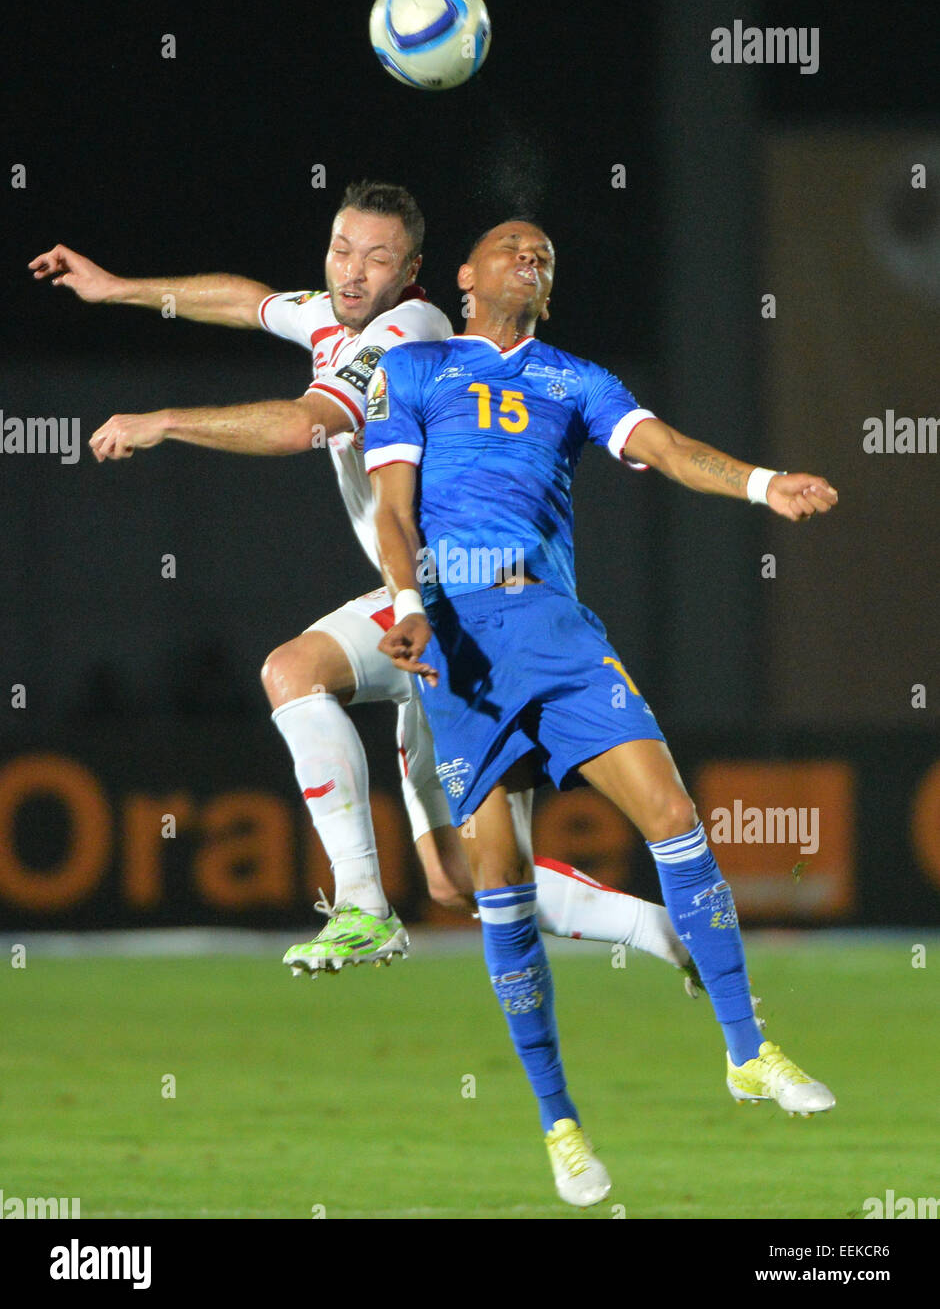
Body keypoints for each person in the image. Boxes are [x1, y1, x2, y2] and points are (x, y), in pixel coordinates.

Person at [28, 186, 694, 987]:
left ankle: (362, 907)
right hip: (433, 602)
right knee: (457, 878)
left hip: (456, 596)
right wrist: (117, 289)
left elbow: (305, 423)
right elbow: (251, 302)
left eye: (378, 258)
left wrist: (164, 420)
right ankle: (655, 926)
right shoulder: (338, 307)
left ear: (412, 271)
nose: (352, 272)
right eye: (343, 249)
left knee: (293, 669)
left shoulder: (408, 335)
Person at [365, 219, 839, 1208]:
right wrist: (407, 606)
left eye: (547, 250)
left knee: (673, 815)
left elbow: (662, 447)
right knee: (495, 884)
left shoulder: (573, 379)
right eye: (513, 246)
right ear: (464, 275)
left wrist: (761, 484)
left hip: (554, 629)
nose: (533, 256)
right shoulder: (412, 372)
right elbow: (395, 512)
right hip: (454, 641)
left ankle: (745, 1049)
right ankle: (559, 1123)